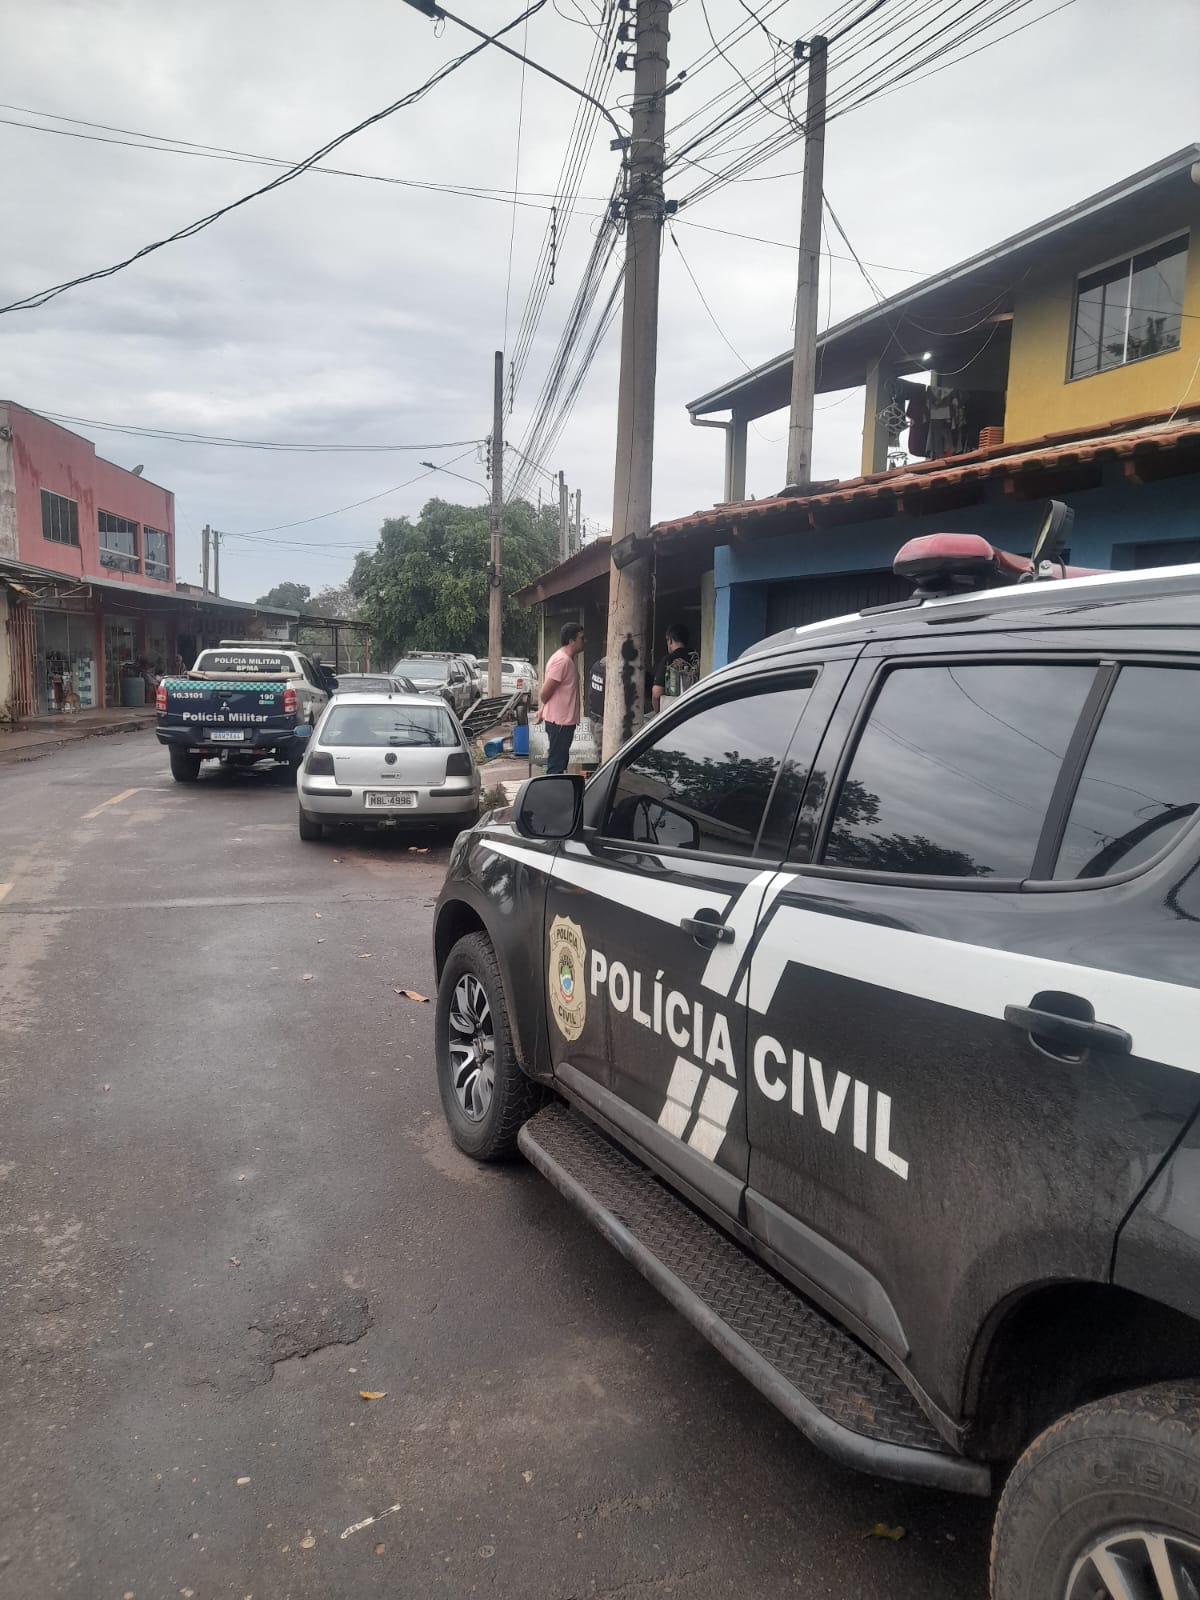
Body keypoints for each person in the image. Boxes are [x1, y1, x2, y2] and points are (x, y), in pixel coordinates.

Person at [537, 622, 585, 775]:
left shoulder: (569, 659)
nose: (584, 641)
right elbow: (545, 693)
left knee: (560, 762)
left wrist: (542, 709)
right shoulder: (562, 661)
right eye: (581, 638)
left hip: (564, 722)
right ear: (571, 641)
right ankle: (552, 794)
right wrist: (543, 708)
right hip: (560, 723)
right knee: (556, 765)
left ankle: (556, 791)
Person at [652, 622, 693, 712]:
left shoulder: (668, 660)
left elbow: (656, 693)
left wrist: (658, 715)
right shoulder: (696, 658)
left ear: (670, 640)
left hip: (672, 713)